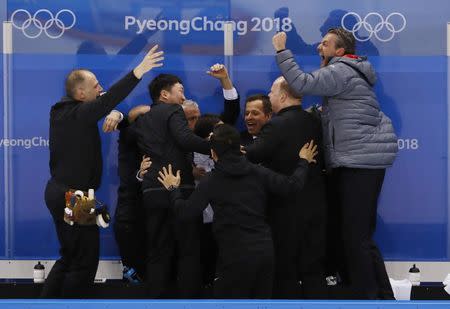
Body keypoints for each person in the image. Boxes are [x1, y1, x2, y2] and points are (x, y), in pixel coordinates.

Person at [272, 28, 398, 299]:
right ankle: (381, 298)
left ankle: (369, 299)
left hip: (360, 161)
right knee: (359, 236)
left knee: (355, 238)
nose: (320, 46)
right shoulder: (345, 72)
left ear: (340, 51)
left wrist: (282, 50)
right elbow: (335, 113)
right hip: (357, 161)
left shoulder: (342, 69)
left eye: (325, 44)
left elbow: (302, 83)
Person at [42, 45, 163, 298]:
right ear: (81, 93)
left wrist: (117, 113)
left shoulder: (69, 109)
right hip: (73, 196)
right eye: (96, 85)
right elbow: (107, 99)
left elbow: (107, 100)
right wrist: (138, 72)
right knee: (84, 261)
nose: (100, 88)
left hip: (69, 193)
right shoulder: (73, 114)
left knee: (70, 256)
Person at [156, 124, 318, 299]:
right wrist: (303, 161)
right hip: (264, 252)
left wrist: (173, 188)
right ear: (240, 148)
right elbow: (292, 186)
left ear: (213, 154)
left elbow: (185, 212)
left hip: (233, 257)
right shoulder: (258, 172)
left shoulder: (211, 181)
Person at [245, 76, 327, 299]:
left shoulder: (276, 124)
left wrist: (225, 145)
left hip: (285, 207)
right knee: (313, 269)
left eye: (272, 92)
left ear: (282, 96)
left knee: (285, 269)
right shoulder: (315, 121)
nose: (269, 96)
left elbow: (253, 155)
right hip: (316, 203)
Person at [133, 73, 210, 298]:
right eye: (181, 91)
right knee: (188, 250)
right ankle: (189, 302)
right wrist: (215, 146)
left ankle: (155, 301)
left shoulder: (143, 119)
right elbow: (185, 139)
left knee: (158, 250)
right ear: (165, 94)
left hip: (150, 190)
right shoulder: (174, 110)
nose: (184, 97)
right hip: (178, 186)